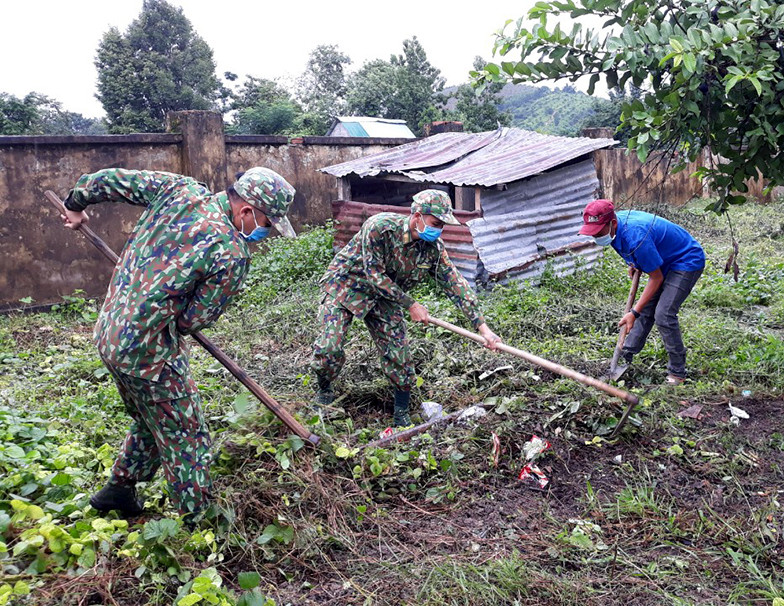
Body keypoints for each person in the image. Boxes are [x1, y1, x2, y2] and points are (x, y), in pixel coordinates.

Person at [61, 167, 297, 522]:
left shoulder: (179, 189)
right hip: (148, 353)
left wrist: (75, 204)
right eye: (268, 222)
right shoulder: (232, 254)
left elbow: (107, 181)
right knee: (187, 434)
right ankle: (198, 523)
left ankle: (119, 489)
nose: (266, 233)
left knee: (151, 415)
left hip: (109, 334)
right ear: (246, 211)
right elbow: (192, 321)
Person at [312, 189, 502, 426]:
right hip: (348, 283)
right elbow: (375, 275)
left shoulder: (432, 248)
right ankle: (324, 390)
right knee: (330, 348)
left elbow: (455, 284)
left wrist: (483, 329)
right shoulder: (379, 227)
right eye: (435, 223)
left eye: (442, 225)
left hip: (387, 297)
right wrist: (411, 304)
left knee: (400, 357)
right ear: (417, 216)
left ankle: (401, 413)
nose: (439, 229)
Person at [579, 199, 705, 384]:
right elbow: (631, 250)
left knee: (663, 314)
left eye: (598, 232)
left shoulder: (635, 236)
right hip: (663, 258)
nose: (596, 237)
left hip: (685, 260)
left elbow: (656, 277)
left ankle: (677, 372)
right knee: (646, 311)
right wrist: (635, 262)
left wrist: (633, 312)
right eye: (592, 232)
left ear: (612, 223)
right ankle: (624, 357)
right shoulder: (615, 228)